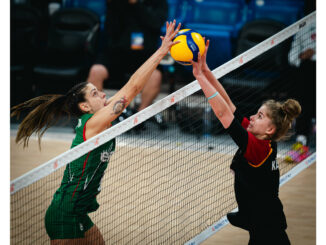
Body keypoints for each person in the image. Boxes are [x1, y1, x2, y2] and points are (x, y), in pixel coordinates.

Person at [11, 20, 180, 245]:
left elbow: (128, 90)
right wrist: (161, 51)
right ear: (85, 107)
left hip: (79, 213)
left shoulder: (100, 120)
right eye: (94, 93)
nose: (101, 93)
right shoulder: (92, 123)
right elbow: (133, 87)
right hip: (65, 214)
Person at [191, 40, 301, 245]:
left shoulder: (258, 149)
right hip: (263, 226)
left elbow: (222, 113)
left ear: (270, 129)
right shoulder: (262, 141)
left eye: (259, 116)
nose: (251, 117)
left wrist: (198, 77)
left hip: (268, 231)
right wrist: (206, 71)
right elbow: (230, 107)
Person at [87, 0, 168, 129]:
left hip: (145, 56)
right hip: (117, 54)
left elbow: (155, 23)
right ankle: (97, 118)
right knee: (96, 71)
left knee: (155, 76)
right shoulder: (115, 3)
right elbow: (111, 30)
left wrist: (136, 4)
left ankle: (138, 119)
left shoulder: (158, 3)